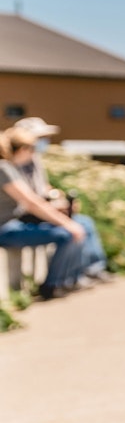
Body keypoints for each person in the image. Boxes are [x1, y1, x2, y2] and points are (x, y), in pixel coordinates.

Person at [12, 117, 114, 283]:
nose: (44, 141)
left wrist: (61, 200)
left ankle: (91, 270)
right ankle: (58, 282)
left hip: (38, 213)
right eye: (40, 138)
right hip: (25, 217)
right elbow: (29, 201)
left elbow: (43, 188)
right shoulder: (12, 165)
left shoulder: (34, 160)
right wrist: (60, 216)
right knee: (70, 231)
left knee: (85, 222)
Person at [0, 127, 89, 300]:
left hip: (15, 224)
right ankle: (52, 285)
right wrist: (67, 223)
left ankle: (65, 280)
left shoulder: (8, 167)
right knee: (65, 234)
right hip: (6, 228)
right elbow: (31, 202)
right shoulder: (3, 168)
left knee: (76, 227)